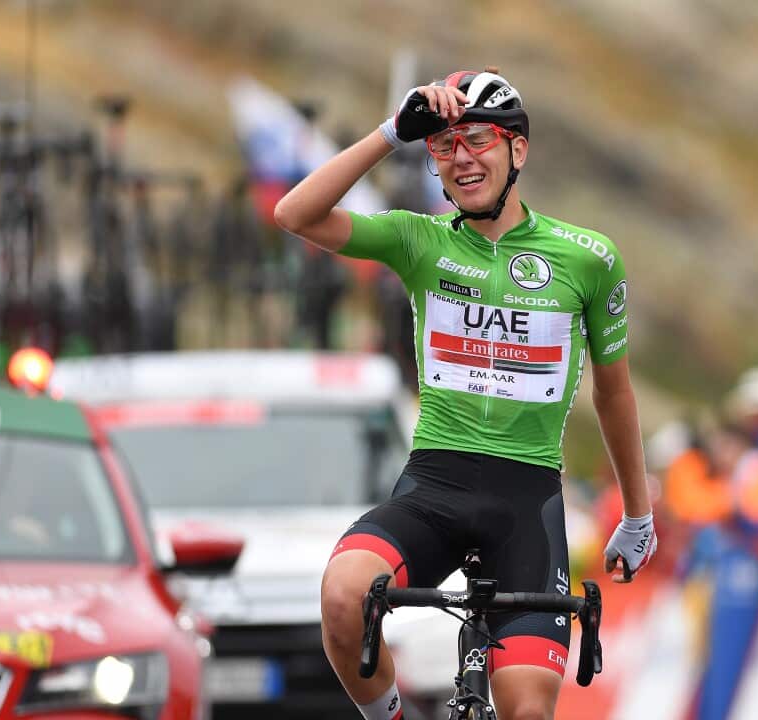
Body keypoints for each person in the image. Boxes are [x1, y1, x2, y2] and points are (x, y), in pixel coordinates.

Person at [274, 68, 656, 720]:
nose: (461, 157)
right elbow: (294, 213)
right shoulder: (418, 241)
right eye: (444, 146)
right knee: (343, 598)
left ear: (519, 150)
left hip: (526, 498)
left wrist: (637, 515)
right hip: (434, 486)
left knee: (526, 708)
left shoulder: (588, 258)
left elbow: (615, 394)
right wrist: (390, 133)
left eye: (478, 139)